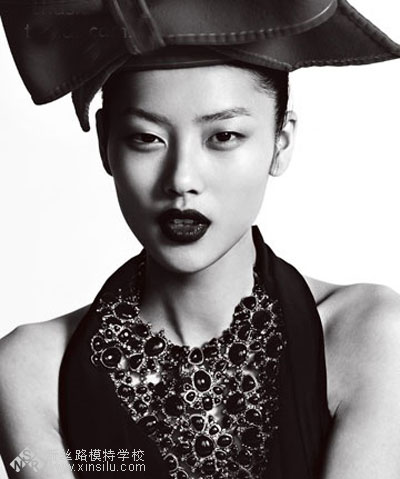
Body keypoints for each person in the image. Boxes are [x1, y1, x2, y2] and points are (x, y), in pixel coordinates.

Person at [0, 1, 399, 478]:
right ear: (107, 142)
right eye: (147, 138)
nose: (182, 179)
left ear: (281, 141)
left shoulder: (368, 334)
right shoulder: (32, 367)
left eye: (223, 136)